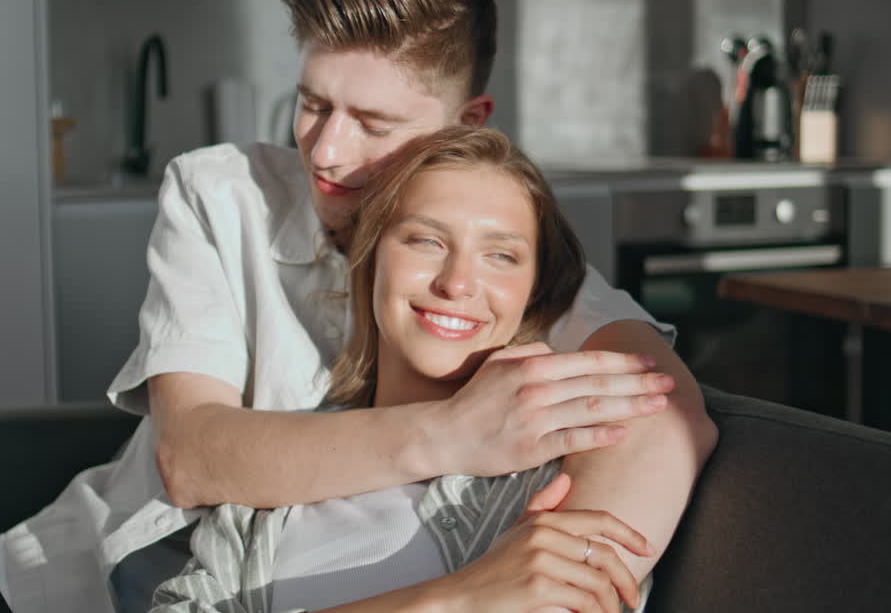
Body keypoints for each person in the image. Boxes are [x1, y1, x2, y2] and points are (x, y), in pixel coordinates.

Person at [0, 0, 714, 613]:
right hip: (43, 582)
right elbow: (193, 458)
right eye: (310, 102)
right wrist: (451, 431)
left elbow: (667, 412)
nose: (325, 149)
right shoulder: (220, 190)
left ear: (468, 122)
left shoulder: (493, 248)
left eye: (373, 123)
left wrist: (547, 579)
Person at [150, 125, 662, 613]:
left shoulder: (558, 488)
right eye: (427, 241)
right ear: (371, 258)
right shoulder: (273, 475)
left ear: (533, 291)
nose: (457, 283)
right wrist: (455, 599)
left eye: (501, 255)